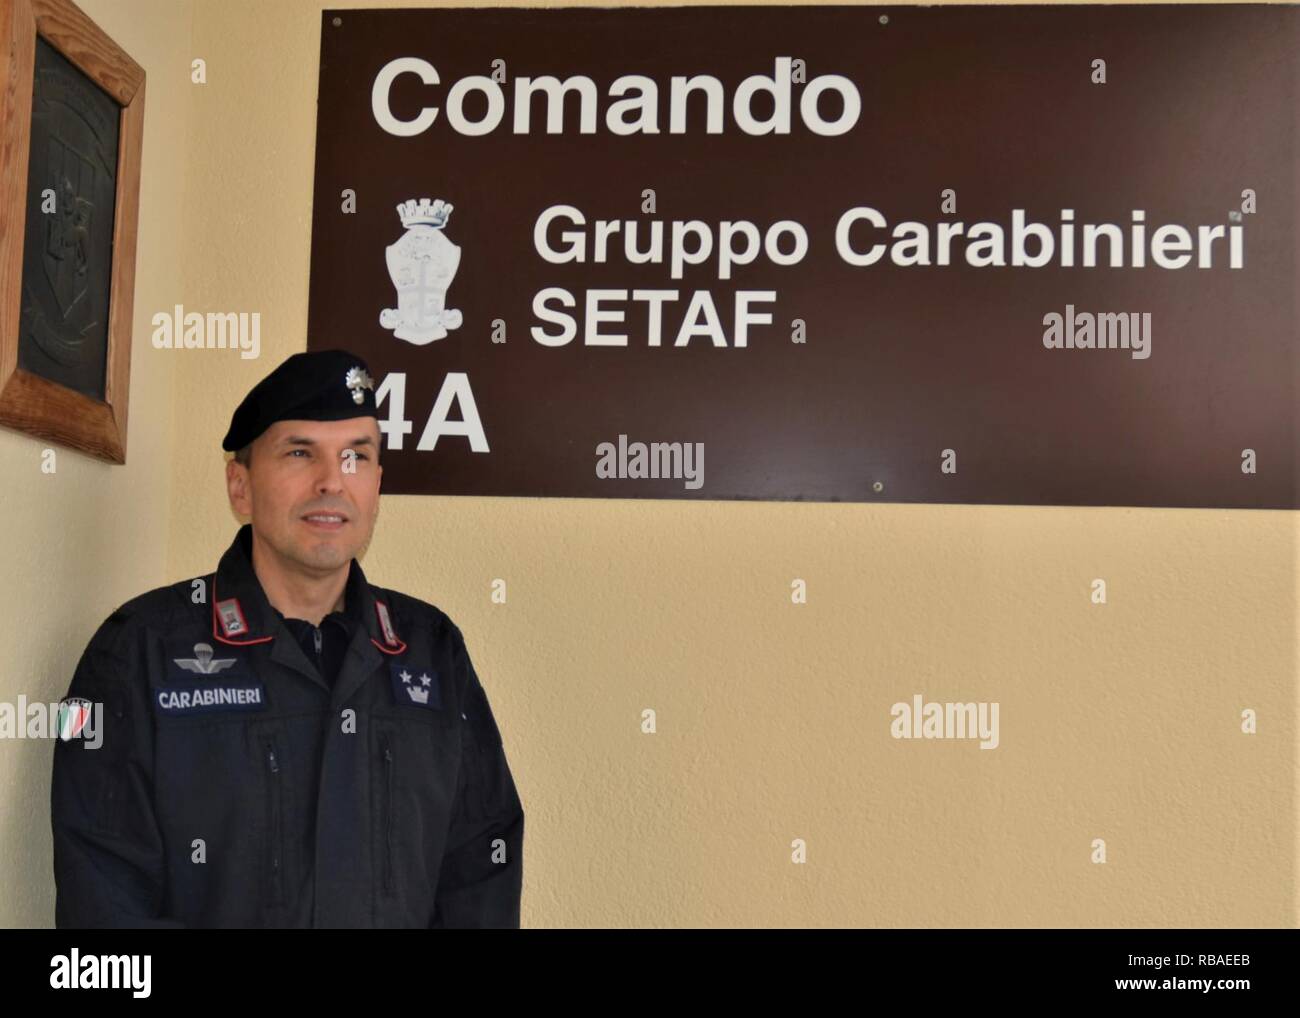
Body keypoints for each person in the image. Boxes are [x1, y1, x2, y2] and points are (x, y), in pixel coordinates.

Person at [50, 348, 524, 928]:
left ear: (376, 484)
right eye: (300, 453)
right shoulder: (138, 654)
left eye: (356, 456)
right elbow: (104, 909)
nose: (332, 481)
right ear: (240, 486)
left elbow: (482, 867)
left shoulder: (433, 651)